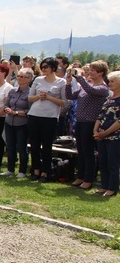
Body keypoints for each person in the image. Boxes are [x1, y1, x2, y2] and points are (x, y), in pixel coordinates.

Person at [65, 61, 110, 189]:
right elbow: (70, 96)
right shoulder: (86, 85)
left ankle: (89, 178)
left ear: (101, 73)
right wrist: (68, 82)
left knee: (88, 151)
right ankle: (80, 175)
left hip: (90, 123)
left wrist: (79, 77)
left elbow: (91, 91)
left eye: (93, 70)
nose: (89, 72)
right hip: (79, 122)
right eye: (89, 70)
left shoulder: (102, 88)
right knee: (80, 150)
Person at [27, 57, 68, 182]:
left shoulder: (61, 82)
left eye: (46, 67)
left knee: (46, 146)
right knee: (34, 145)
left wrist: (49, 97)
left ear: (53, 68)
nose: (43, 69)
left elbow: (64, 103)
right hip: (34, 115)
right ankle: (35, 170)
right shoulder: (38, 80)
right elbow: (29, 98)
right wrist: (39, 96)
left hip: (50, 117)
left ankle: (46, 171)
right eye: (42, 67)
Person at [93, 70, 120, 197]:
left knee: (112, 162)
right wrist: (96, 130)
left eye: (113, 81)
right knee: (102, 161)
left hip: (114, 137)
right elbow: (100, 115)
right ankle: (104, 185)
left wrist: (106, 133)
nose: (110, 83)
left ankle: (112, 187)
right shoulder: (109, 99)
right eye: (109, 81)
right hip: (101, 136)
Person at [2, 68, 33, 178]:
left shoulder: (31, 93)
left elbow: (31, 110)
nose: (20, 78)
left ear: (29, 79)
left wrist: (16, 112)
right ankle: (10, 169)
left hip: (22, 124)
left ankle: (22, 171)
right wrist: (7, 110)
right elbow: (6, 104)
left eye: (23, 76)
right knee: (10, 146)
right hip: (9, 122)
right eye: (19, 76)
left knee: (21, 147)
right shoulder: (12, 91)